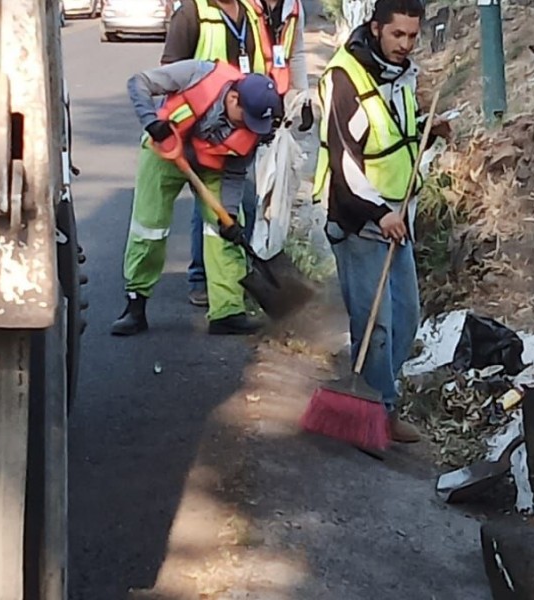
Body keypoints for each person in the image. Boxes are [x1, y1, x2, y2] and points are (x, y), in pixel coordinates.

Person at [312, 0, 452, 443]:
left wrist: (431, 132)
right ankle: (377, 416)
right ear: (376, 29)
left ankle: (378, 403)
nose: (406, 45)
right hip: (360, 219)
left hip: (398, 216)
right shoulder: (343, 78)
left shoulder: (401, 74)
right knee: (376, 326)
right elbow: (345, 162)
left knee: (406, 317)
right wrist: (379, 212)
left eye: (413, 36)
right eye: (398, 36)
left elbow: (394, 134)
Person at [111, 60, 282, 336]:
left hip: (213, 167)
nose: (250, 126)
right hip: (164, 151)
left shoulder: (252, 131)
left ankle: (227, 312)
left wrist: (227, 215)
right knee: (149, 228)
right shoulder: (199, 75)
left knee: (223, 234)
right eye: (246, 117)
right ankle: (135, 305)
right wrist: (152, 122)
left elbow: (235, 174)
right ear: (234, 98)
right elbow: (138, 82)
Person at [160, 0, 266, 308]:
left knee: (234, 210)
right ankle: (200, 279)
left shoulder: (250, 12)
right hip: (200, 126)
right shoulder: (192, 14)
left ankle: (229, 292)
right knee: (205, 209)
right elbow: (171, 72)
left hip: (240, 122)